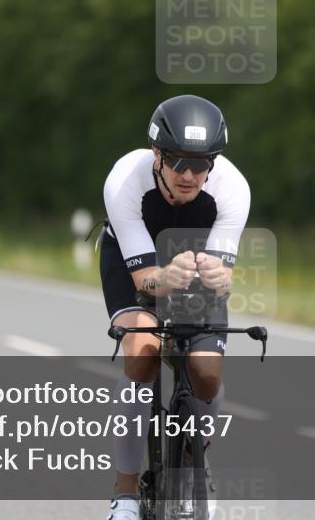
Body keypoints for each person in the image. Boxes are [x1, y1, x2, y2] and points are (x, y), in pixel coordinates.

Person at [100, 95, 250, 520]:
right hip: (135, 260)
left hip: (195, 261)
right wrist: (163, 279)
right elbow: (144, 279)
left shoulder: (233, 188)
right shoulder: (125, 181)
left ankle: (195, 458)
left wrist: (221, 276)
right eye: (177, 162)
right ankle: (125, 494)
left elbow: (221, 267)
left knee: (205, 372)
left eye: (201, 164)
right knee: (142, 354)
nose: (188, 174)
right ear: (156, 156)